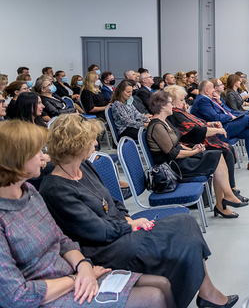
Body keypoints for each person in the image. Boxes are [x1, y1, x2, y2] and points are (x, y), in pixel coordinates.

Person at [39, 114, 238, 308]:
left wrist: (125, 216)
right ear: (76, 145)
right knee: (182, 232)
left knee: (186, 224)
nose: (96, 145)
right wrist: (128, 224)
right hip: (106, 247)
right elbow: (95, 230)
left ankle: (206, 292)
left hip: (120, 229)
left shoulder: (84, 166)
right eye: (91, 140)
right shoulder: (55, 188)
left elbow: (113, 199)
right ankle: (207, 293)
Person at [0, 120, 178, 308]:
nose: (43, 156)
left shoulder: (29, 192)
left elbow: (61, 239)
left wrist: (83, 266)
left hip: (71, 274)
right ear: (15, 160)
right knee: (153, 298)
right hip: (47, 295)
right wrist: (78, 277)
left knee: (162, 285)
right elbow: (17, 296)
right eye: (35, 152)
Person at [146, 91, 245, 218]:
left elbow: (178, 144)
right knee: (216, 157)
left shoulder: (164, 121)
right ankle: (226, 198)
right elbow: (173, 153)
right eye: (171, 103)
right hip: (173, 167)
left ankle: (224, 201)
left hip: (178, 161)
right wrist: (193, 152)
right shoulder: (157, 127)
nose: (173, 106)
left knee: (217, 155)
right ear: (162, 106)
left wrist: (192, 148)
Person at [164, 85, 247, 204]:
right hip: (191, 143)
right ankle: (229, 193)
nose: (184, 103)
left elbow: (199, 123)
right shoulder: (175, 115)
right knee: (225, 151)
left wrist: (211, 124)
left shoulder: (180, 112)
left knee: (227, 149)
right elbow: (195, 131)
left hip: (193, 142)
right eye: (181, 100)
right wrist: (217, 130)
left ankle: (229, 193)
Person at [192, 81, 249, 171]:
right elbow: (215, 117)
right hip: (217, 132)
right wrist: (231, 117)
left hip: (226, 126)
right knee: (248, 119)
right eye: (212, 88)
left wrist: (221, 103)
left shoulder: (212, 99)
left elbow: (228, 111)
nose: (214, 90)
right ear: (206, 90)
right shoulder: (202, 100)